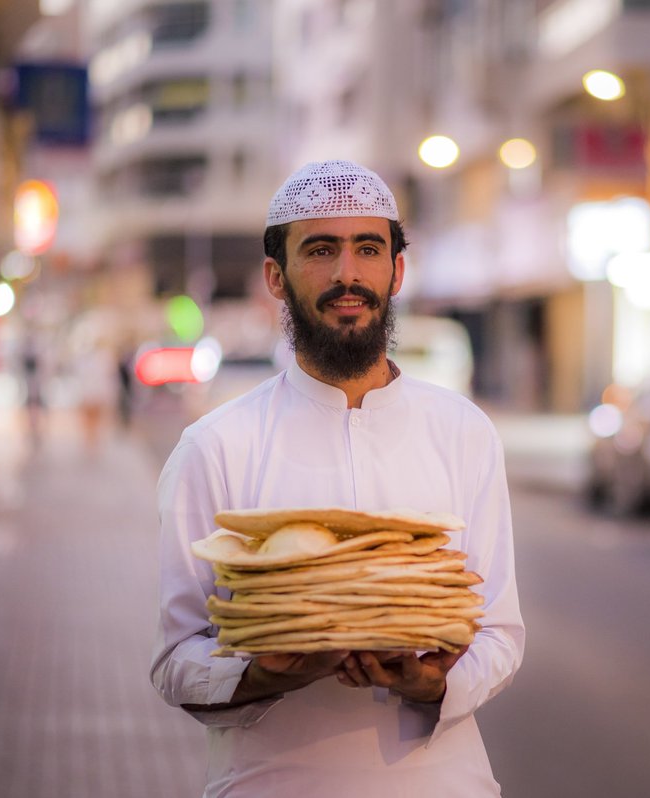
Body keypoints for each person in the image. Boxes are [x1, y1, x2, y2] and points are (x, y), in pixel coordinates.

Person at [151, 159, 525, 797]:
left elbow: (499, 632)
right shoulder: (214, 447)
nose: (347, 274)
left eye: (368, 249)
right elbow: (174, 659)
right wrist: (261, 672)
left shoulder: (465, 433)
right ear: (277, 276)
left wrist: (435, 682)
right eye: (321, 250)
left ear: (397, 270)